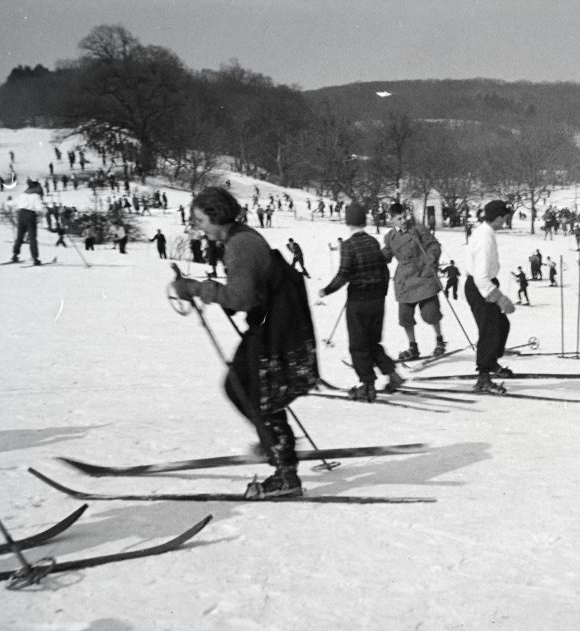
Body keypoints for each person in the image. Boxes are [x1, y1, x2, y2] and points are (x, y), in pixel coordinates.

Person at [171, 186, 318, 499]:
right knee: (249, 390)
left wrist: (198, 289)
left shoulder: (241, 245)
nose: (199, 227)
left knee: (251, 392)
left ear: (216, 215)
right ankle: (277, 448)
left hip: (275, 328)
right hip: (272, 323)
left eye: (200, 220)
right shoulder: (238, 238)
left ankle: (284, 470)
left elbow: (241, 298)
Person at [319, 202, 404, 401]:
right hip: (377, 300)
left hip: (358, 301)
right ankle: (393, 375)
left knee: (358, 344)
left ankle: (367, 386)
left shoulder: (348, 245)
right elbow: (384, 270)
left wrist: (327, 290)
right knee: (373, 341)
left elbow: (343, 275)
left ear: (348, 222)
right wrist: (381, 293)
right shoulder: (374, 242)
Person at [382, 202, 446, 361]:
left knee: (430, 313)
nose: (403, 221)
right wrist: (375, 258)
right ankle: (413, 347)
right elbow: (387, 255)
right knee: (405, 317)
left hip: (423, 274)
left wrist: (431, 258)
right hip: (404, 279)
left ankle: (439, 341)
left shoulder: (418, 230)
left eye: (404, 216)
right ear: (392, 219)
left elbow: (434, 245)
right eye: (399, 218)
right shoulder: (390, 237)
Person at [465, 200, 516, 393]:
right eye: (504, 218)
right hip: (480, 287)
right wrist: (500, 298)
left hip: (485, 285)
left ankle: (492, 363)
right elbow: (480, 277)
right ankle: (483, 377)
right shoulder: (484, 238)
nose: (505, 221)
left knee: (502, 325)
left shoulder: (486, 232)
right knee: (490, 330)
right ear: (497, 218)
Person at [8, 179, 46, 264]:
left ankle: (15, 255)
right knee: (33, 238)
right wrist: (45, 209)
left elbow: (12, 203)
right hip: (30, 216)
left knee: (19, 237)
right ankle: (35, 258)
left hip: (20, 215)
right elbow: (40, 207)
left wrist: (8, 202)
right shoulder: (36, 196)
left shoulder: (23, 194)